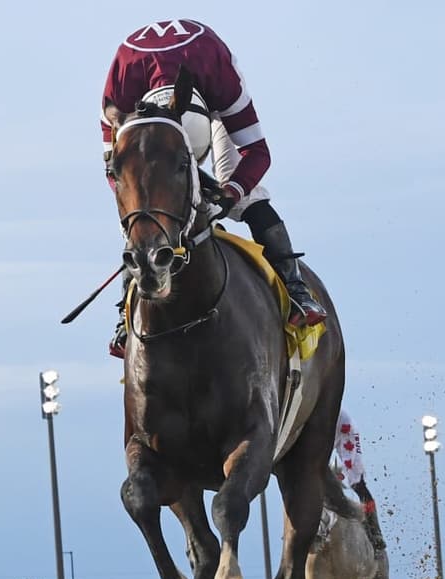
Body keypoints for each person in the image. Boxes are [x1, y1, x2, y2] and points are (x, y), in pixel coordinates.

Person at [99, 18, 329, 359]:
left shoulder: (220, 77)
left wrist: (233, 191)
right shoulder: (122, 85)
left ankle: (296, 290)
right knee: (143, 203)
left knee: (248, 199)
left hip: (214, 108)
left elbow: (258, 153)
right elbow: (114, 171)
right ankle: (124, 313)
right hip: (146, 116)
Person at [331, 409, 387, 551]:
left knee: (357, 483)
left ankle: (374, 530)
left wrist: (340, 472)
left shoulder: (347, 427)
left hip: (344, 430)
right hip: (325, 430)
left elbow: (348, 462)